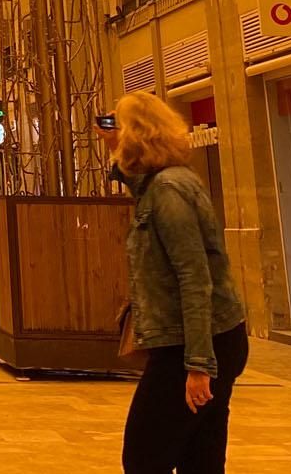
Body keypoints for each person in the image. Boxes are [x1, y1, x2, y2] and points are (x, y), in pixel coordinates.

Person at [106, 92, 248, 474]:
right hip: (208, 338)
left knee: (143, 456)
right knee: (200, 457)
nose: (110, 133)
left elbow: (194, 275)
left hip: (192, 344)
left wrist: (199, 365)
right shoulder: (162, 184)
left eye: (116, 125)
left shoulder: (168, 191)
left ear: (135, 133)